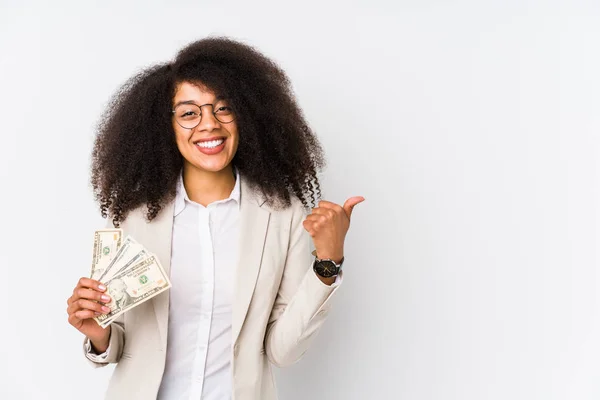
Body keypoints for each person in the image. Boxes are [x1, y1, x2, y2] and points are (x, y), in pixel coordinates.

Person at [65, 37, 364, 400]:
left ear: (246, 117)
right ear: (166, 126)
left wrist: (327, 263)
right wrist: (97, 333)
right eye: (189, 113)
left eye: (224, 109)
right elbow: (122, 343)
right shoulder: (135, 219)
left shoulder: (283, 217)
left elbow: (283, 352)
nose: (209, 124)